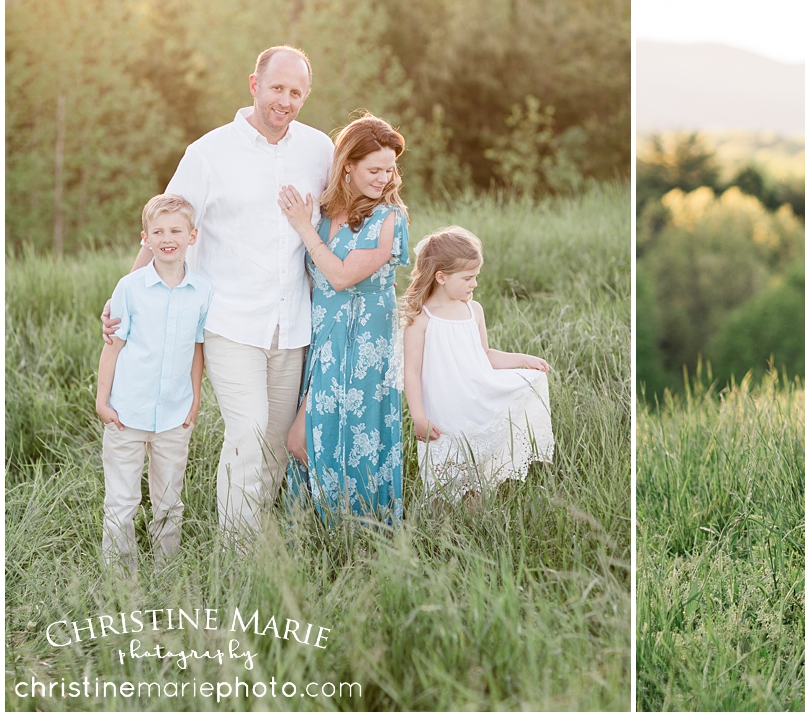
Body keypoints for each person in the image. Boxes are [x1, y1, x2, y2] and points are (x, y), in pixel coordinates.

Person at [108, 45, 334, 540]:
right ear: (254, 85)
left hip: (293, 323)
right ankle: (237, 556)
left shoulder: (320, 150)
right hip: (230, 321)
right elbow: (164, 225)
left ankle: (257, 534)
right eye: (277, 88)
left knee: (275, 444)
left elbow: (344, 215)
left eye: (296, 92)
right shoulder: (208, 153)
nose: (285, 100)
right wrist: (125, 296)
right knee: (248, 435)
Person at [280, 114, 412, 523]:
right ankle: (321, 529)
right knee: (307, 438)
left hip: (366, 345)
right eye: (374, 170)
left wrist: (304, 229)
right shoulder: (324, 211)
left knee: (347, 436)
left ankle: (359, 529)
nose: (384, 179)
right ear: (347, 167)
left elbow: (339, 277)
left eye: (390, 169)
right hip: (326, 339)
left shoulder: (388, 219)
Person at [95, 194, 211, 564]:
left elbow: (197, 350)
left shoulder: (202, 292)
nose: (167, 237)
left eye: (176, 230)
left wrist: (194, 399)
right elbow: (112, 347)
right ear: (145, 238)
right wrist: (102, 401)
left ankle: (167, 570)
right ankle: (119, 577)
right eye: (157, 231)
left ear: (192, 236)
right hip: (127, 411)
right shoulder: (129, 288)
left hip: (175, 416)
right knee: (122, 500)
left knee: (168, 501)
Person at [401, 226, 555, 499]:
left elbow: (484, 355)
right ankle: (442, 527)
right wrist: (418, 416)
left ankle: (476, 521)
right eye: (468, 278)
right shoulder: (421, 319)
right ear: (441, 277)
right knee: (444, 484)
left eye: (476, 277)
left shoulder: (473, 310)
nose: (475, 284)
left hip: (473, 400)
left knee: (475, 482)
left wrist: (523, 359)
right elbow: (411, 372)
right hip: (443, 408)